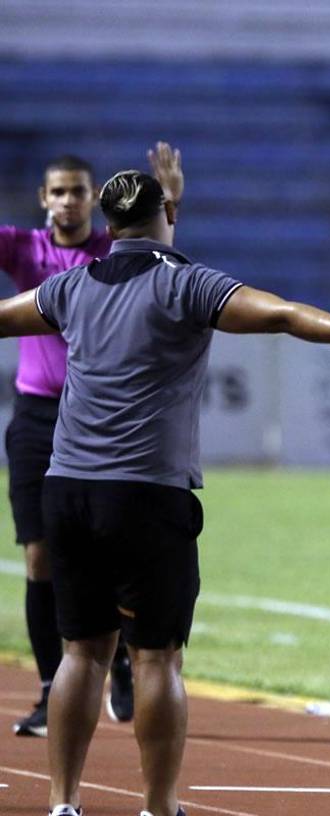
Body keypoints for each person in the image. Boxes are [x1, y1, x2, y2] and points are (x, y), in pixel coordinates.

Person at [0, 168, 330, 816]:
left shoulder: (70, 285)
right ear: (165, 217)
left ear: (107, 224)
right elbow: (282, 314)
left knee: (81, 655)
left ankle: (62, 803)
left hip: (69, 491)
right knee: (156, 660)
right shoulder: (185, 283)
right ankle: (159, 804)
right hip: (146, 492)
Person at [2, 145, 183, 736]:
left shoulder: (113, 252)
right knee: (39, 557)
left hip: (97, 420)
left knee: (110, 550)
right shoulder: (27, 249)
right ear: (45, 199)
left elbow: (165, 257)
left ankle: (126, 658)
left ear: (96, 204)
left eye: (80, 190)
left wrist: (171, 202)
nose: (69, 200)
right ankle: (52, 687)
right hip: (35, 416)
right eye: (59, 191)